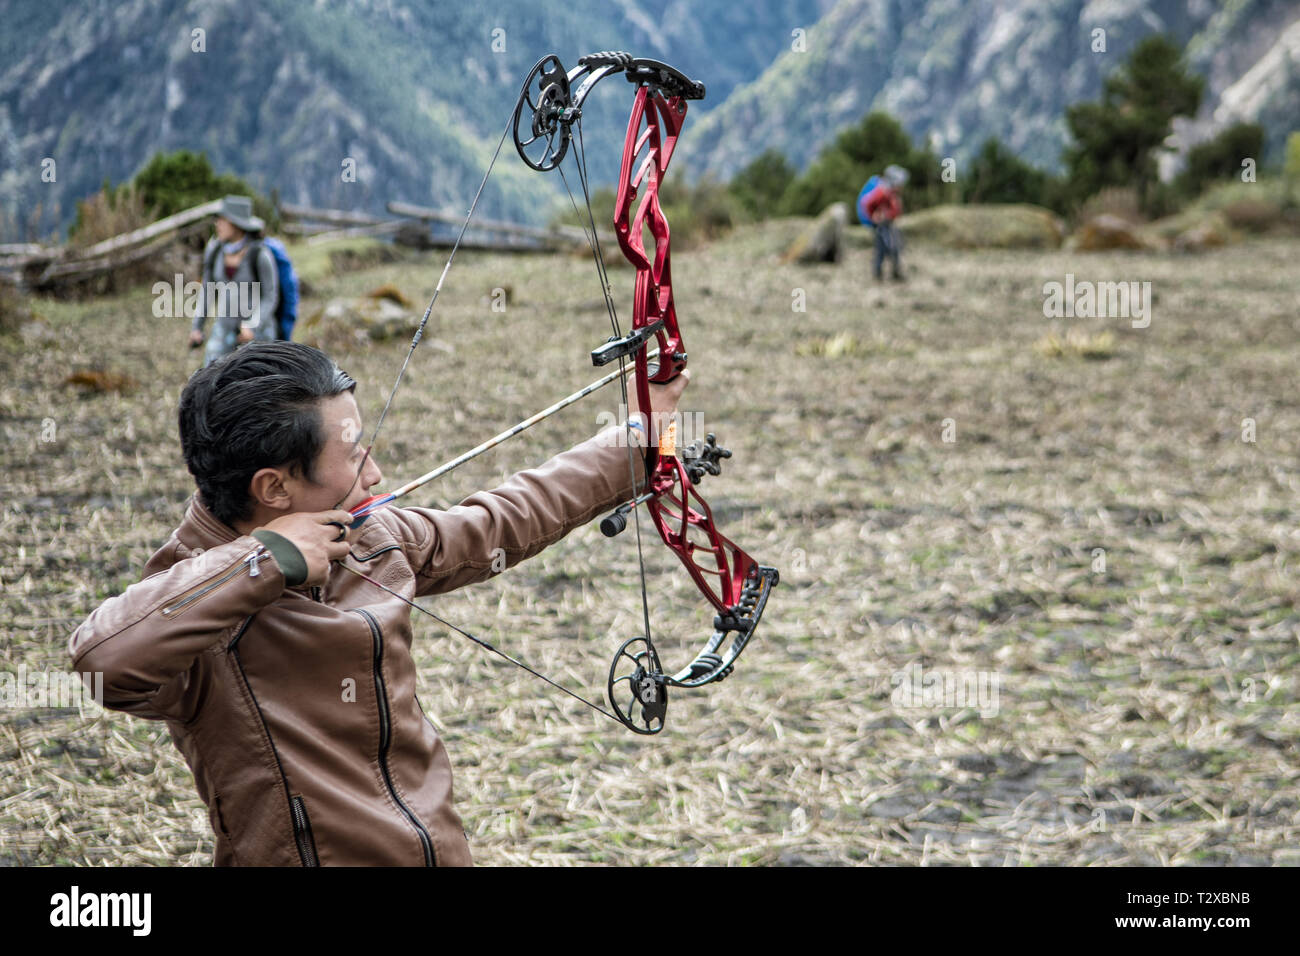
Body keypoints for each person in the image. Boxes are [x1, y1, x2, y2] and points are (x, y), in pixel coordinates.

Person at [68, 341, 687, 866]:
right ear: (274, 487)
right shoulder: (196, 600)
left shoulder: (368, 537)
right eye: (352, 451)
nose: (376, 471)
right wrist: (263, 564)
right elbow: (102, 660)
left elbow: (497, 522)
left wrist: (636, 439)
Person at [189, 195, 279, 366]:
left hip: (259, 335)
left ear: (237, 223)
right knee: (209, 380)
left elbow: (270, 296)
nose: (217, 224)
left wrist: (252, 325)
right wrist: (197, 327)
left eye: (223, 219)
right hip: (224, 329)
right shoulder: (215, 252)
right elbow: (208, 291)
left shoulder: (260, 254)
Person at [864, 164, 909, 281]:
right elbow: (868, 204)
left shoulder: (891, 194)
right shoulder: (882, 192)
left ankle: (894, 272)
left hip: (889, 225)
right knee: (882, 249)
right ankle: (879, 274)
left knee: (894, 247)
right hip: (882, 226)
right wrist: (874, 217)